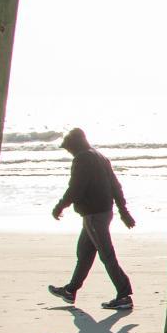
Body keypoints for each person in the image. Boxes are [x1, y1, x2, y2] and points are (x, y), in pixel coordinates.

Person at [48, 128, 135, 309]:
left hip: (94, 215)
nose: (69, 152)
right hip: (101, 213)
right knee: (84, 253)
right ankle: (70, 290)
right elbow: (116, 186)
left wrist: (59, 206)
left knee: (106, 255)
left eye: (69, 148)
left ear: (75, 145)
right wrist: (123, 211)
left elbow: (75, 189)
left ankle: (124, 294)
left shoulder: (82, 159)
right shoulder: (100, 157)